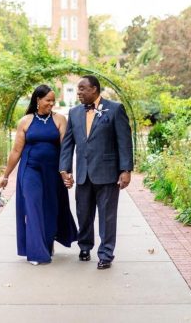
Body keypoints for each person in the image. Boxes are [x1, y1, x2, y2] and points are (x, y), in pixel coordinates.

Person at [59, 75, 134, 270]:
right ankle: (85, 246)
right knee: (83, 215)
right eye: (78, 89)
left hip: (107, 174)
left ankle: (106, 254)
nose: (79, 92)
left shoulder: (115, 109)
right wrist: (65, 168)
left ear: (94, 89)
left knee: (107, 217)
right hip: (83, 174)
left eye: (82, 88)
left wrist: (125, 170)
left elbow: (124, 141)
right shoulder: (74, 112)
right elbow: (68, 143)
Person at [0, 85, 78, 265]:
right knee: (33, 207)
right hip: (30, 170)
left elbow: (65, 149)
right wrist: (6, 175)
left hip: (53, 172)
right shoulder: (25, 121)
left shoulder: (60, 119)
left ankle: (47, 243)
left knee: (50, 208)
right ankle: (36, 253)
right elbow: (16, 151)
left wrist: (67, 173)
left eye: (53, 101)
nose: (51, 104)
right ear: (38, 100)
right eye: (48, 100)